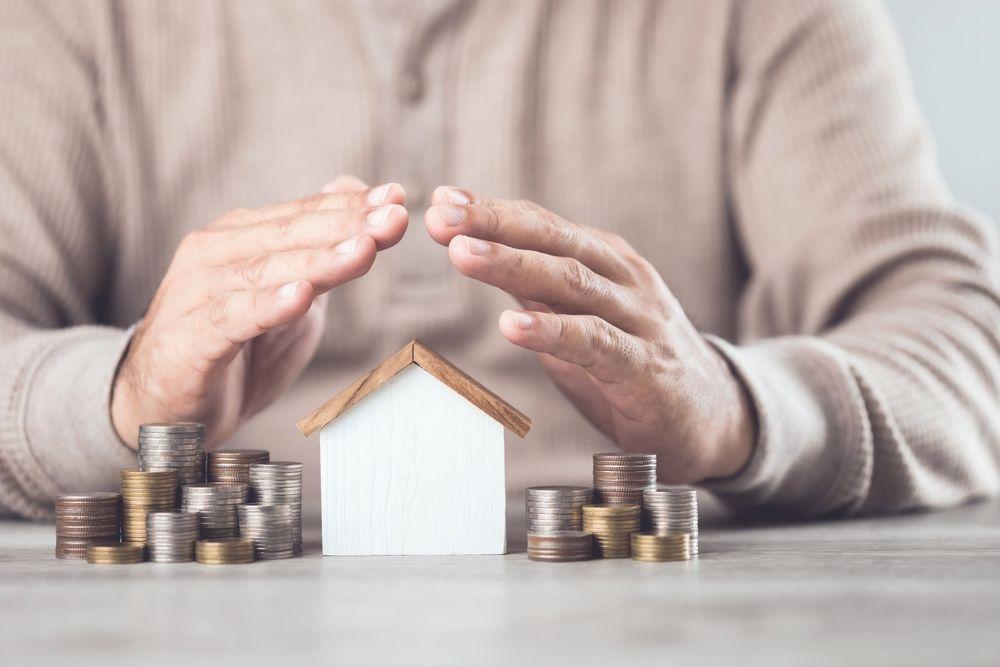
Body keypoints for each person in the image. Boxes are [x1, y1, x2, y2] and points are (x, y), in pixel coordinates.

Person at [0, 0, 997, 521]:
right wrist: (129, 397)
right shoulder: (71, 17)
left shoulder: (764, 12)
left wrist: (734, 410)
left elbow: (965, 346)